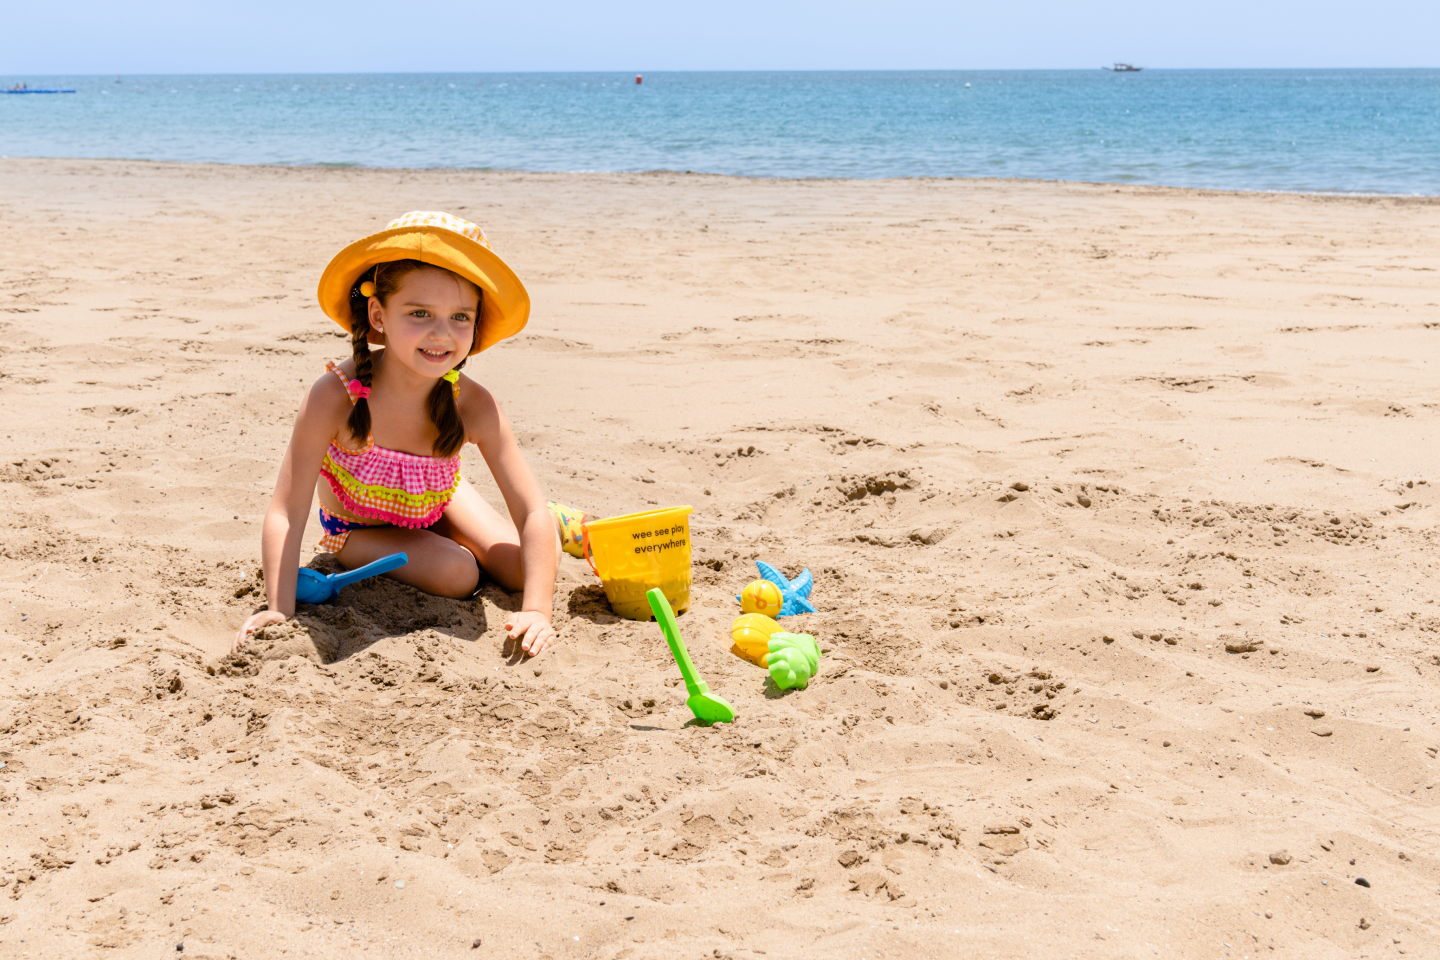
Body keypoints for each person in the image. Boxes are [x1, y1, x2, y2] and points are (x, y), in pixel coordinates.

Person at [233, 212, 589, 657]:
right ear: (378, 314)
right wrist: (279, 608)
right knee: (459, 574)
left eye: (460, 316)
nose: (441, 334)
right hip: (358, 527)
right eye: (420, 313)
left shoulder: (472, 403)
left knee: (531, 565)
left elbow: (528, 508)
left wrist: (538, 610)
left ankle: (561, 523)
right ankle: (459, 542)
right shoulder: (336, 396)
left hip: (434, 499)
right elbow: (286, 510)